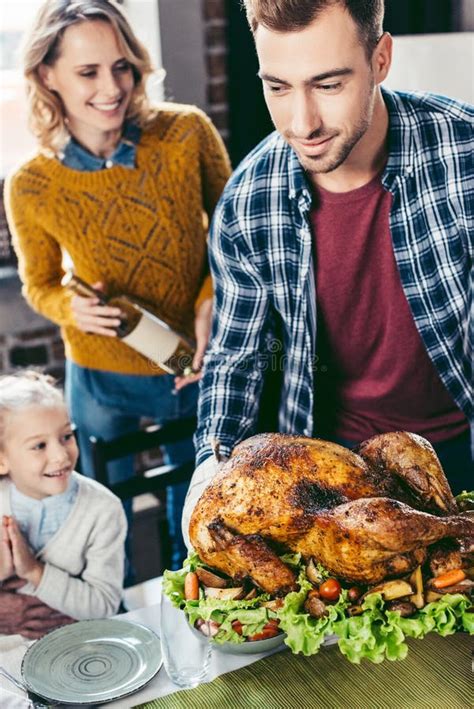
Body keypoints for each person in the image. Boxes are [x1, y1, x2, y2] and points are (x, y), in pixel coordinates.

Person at [182, 0, 472, 539]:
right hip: (327, 481)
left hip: (464, 454)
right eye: (278, 87)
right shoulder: (248, 202)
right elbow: (237, 356)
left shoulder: (465, 157)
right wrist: (210, 470)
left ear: (380, 59)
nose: (302, 122)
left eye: (328, 85)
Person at [4, 0, 231, 575]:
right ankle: (120, 621)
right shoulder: (31, 185)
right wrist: (71, 308)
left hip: (193, 361)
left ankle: (193, 612)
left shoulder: (186, 134)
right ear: (46, 76)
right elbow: (40, 286)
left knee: (204, 509)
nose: (113, 87)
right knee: (102, 515)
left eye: (122, 66)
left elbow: (236, 240)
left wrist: (208, 301)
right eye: (88, 72)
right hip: (101, 376)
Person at [0, 371, 126, 628]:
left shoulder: (103, 509)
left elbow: (103, 606)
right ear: (2, 460)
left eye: (66, 437)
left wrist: (34, 571)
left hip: (79, 644)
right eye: (39, 446)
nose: (61, 456)